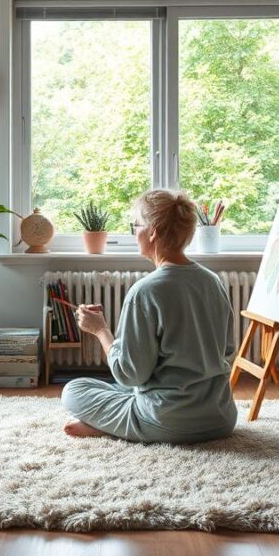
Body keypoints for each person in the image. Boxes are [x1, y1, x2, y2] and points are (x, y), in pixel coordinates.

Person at [60, 190, 238, 443]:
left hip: (168, 421)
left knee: (73, 390)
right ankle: (123, 423)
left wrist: (101, 330)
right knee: (125, 390)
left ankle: (117, 427)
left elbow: (130, 374)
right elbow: (227, 351)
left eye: (136, 226)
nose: (135, 233)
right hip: (220, 418)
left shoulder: (145, 291)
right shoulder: (212, 281)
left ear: (152, 231)